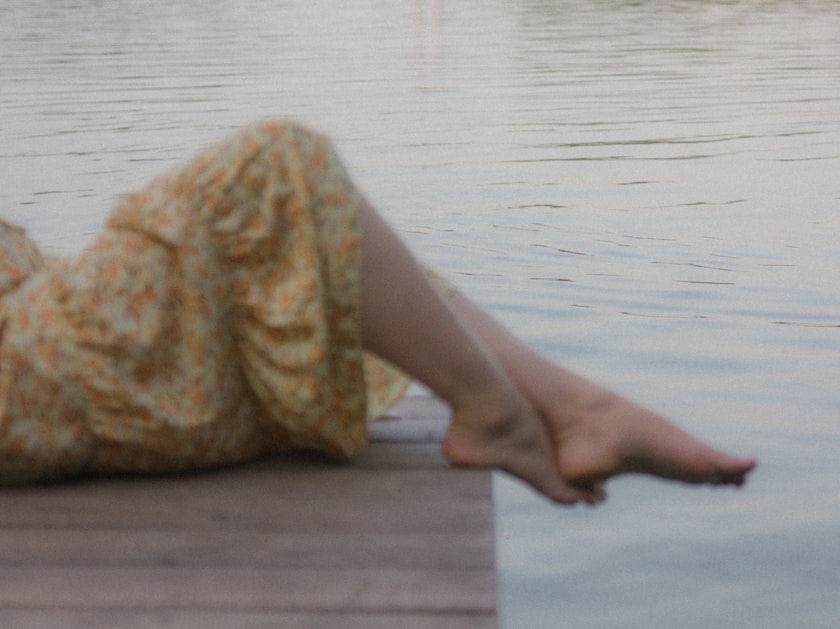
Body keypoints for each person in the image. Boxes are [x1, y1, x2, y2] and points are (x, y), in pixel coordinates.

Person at [0, 119, 755, 502]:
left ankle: (571, 404)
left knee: (303, 254)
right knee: (276, 170)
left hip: (40, 377)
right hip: (34, 389)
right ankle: (501, 411)